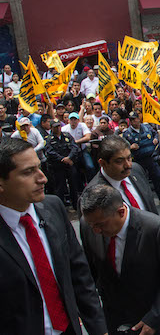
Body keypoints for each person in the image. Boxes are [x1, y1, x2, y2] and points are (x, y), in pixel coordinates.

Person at [0, 138, 107, 335]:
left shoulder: (53, 207)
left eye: (39, 168)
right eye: (28, 172)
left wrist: (99, 329)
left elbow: (79, 276)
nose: (42, 178)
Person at [79, 184, 160, 335]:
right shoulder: (89, 225)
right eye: (92, 225)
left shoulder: (155, 229)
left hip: (155, 322)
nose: (96, 231)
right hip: (115, 322)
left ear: (121, 212)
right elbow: (90, 273)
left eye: (100, 225)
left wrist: (154, 318)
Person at [87, 135, 159, 215]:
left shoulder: (136, 170)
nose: (128, 165)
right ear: (103, 163)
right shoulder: (93, 195)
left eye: (129, 158)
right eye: (119, 161)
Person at [122, 111, 160, 202]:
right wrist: (130, 147)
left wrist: (156, 138)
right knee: (142, 181)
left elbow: (155, 133)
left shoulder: (147, 127)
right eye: (131, 120)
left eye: (135, 119)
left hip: (151, 158)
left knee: (157, 178)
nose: (133, 121)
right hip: (139, 160)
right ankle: (146, 201)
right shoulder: (127, 133)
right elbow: (123, 146)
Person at [45, 119, 82, 209]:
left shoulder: (67, 136)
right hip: (57, 166)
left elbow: (74, 147)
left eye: (58, 126)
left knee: (73, 185)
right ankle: (61, 207)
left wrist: (69, 157)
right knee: (60, 187)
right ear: (51, 128)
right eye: (55, 127)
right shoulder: (49, 139)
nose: (57, 129)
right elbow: (50, 152)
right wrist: (62, 159)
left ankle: (75, 205)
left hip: (69, 164)